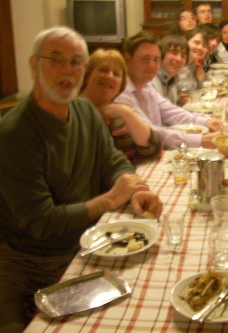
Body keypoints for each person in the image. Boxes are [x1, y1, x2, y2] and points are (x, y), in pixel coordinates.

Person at [0, 26, 162, 332]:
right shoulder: (14, 133)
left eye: (76, 62)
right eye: (56, 60)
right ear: (34, 65)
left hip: (87, 244)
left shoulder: (84, 110)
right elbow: (41, 221)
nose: (68, 70)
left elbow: (112, 161)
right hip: (31, 263)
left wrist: (133, 189)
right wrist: (110, 200)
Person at [114, 31, 220, 149]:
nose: (152, 65)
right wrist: (202, 140)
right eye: (145, 59)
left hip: (156, 148)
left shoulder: (147, 86)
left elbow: (171, 111)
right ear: (127, 59)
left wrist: (205, 122)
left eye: (155, 59)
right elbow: (149, 132)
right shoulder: (122, 92)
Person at [80, 48, 162, 163]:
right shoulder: (74, 112)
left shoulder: (116, 115)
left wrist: (126, 112)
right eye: (103, 70)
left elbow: (153, 150)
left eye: (116, 74)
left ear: (121, 85)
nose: (109, 76)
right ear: (87, 76)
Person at [151, 34, 189, 106]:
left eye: (183, 55)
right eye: (174, 53)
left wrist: (179, 102)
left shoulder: (174, 78)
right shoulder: (151, 82)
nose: (179, 59)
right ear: (161, 54)